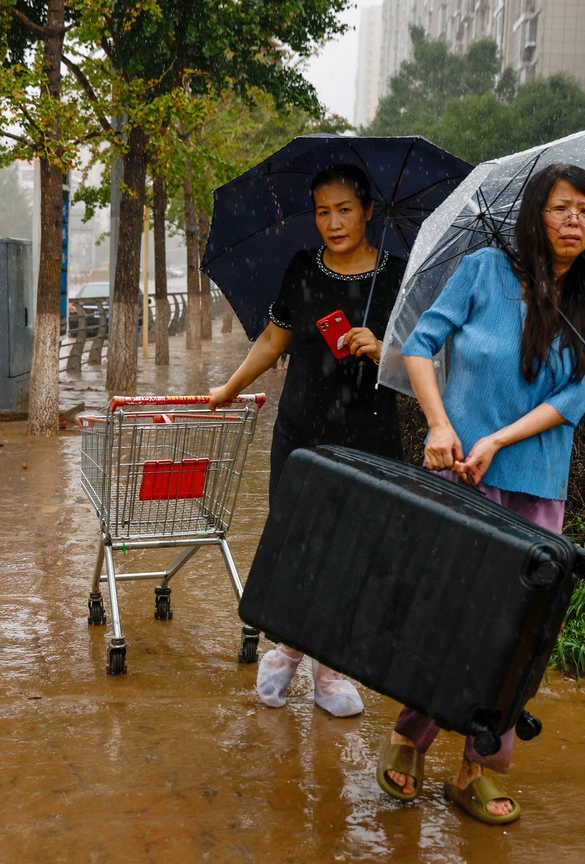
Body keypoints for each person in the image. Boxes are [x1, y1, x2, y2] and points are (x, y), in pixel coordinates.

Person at [376, 163, 585, 824]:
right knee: (443, 613)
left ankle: (480, 766)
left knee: (512, 635)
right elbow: (421, 347)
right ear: (534, 215)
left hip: (536, 486)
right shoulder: (484, 270)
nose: (576, 223)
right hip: (457, 477)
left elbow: (570, 400)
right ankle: (409, 739)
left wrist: (499, 441)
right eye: (563, 209)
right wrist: (440, 424)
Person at [209, 163, 405, 718]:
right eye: (323, 212)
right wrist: (228, 388)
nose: (334, 222)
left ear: (369, 212)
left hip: (369, 433)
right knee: (298, 539)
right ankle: (287, 646)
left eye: (345, 210)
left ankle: (329, 668)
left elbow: (424, 360)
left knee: (352, 549)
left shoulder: (398, 274)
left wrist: (384, 348)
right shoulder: (302, 268)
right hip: (303, 429)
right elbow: (274, 339)